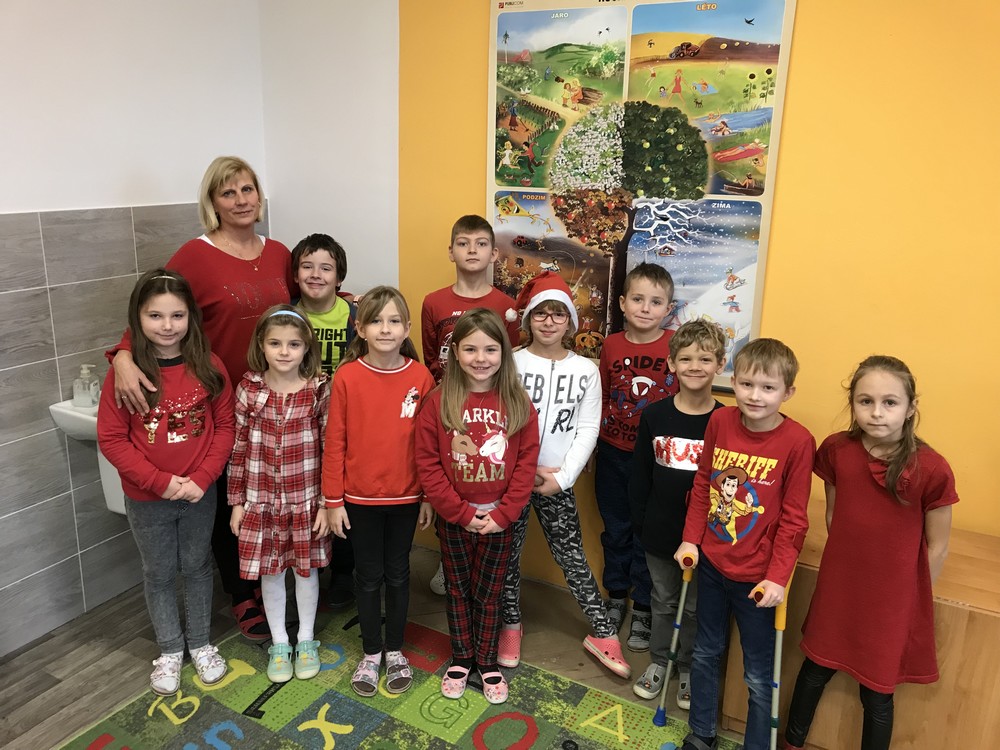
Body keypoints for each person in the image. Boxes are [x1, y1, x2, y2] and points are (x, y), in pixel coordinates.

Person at [108, 156, 297, 641]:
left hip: (274, 401)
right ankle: (240, 593)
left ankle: (270, 580)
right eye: (228, 192)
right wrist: (123, 354)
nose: (241, 200)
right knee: (229, 498)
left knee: (266, 494)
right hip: (219, 401)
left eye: (247, 189)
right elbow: (156, 306)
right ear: (212, 202)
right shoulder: (195, 255)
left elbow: (300, 310)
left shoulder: (278, 252)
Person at [784, 356, 958, 750]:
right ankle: (790, 744)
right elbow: (835, 515)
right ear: (853, 404)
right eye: (866, 401)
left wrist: (909, 599)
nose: (877, 412)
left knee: (877, 693)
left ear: (911, 407)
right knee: (815, 669)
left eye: (890, 402)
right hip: (840, 586)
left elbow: (938, 546)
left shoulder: (932, 468)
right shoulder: (836, 450)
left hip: (892, 601)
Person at [97, 269, 234, 696]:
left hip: (199, 493)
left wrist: (202, 478)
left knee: (197, 567)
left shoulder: (209, 366)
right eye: (155, 315)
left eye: (177, 315)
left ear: (191, 317)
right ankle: (171, 650)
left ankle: (201, 643)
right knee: (158, 573)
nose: (168, 325)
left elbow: (225, 427)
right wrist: (159, 482)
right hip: (147, 498)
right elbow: (111, 438)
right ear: (137, 318)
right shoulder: (125, 374)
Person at [674, 338, 815, 750]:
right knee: (705, 652)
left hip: (758, 579)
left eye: (768, 388)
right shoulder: (720, 422)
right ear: (733, 382)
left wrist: (778, 577)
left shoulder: (798, 441)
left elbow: (794, 518)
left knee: (757, 673)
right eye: (748, 384)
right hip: (711, 565)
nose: (756, 396)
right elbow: (704, 483)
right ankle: (701, 733)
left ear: (788, 392)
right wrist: (690, 539)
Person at [499, 273, 631, 679]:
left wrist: (564, 477)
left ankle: (603, 632)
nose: (549, 321)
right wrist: (521, 469)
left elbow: (589, 427)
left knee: (572, 556)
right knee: (507, 555)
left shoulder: (586, 371)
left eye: (558, 314)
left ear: (570, 322)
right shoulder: (511, 363)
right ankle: (510, 624)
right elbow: (497, 419)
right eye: (541, 313)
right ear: (528, 319)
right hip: (511, 479)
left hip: (556, 481)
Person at [415, 308, 540, 705]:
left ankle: (486, 661)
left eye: (490, 349)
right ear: (455, 352)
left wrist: (503, 515)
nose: (480, 358)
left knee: (489, 593)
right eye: (470, 349)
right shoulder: (438, 402)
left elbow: (526, 464)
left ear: (504, 353)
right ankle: (461, 658)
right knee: (457, 590)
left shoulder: (518, 402)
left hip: (500, 520)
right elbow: (428, 465)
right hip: (455, 518)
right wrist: (462, 513)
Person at [322, 286, 436, 697]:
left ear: (406, 328)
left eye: (393, 321)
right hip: (359, 500)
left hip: (406, 498)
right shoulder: (347, 376)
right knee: (367, 576)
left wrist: (427, 496)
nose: (385, 329)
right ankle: (372, 652)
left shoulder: (420, 377)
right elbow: (335, 441)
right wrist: (333, 500)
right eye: (376, 321)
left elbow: (430, 444)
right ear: (360, 328)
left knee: (399, 573)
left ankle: (395, 649)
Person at [228, 306, 331, 683]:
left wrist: (327, 503)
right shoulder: (249, 389)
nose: (284, 352)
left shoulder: (318, 389)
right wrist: (237, 502)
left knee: (306, 571)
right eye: (275, 343)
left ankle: (305, 640)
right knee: (270, 573)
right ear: (261, 344)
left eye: (293, 344)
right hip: (261, 501)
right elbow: (238, 447)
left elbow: (330, 448)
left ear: (307, 348)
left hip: (307, 500)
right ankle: (280, 643)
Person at [420, 215, 520, 594]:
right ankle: (449, 562)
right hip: (447, 410)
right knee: (450, 480)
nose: (472, 250)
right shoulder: (434, 302)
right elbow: (431, 358)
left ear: (494, 253)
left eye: (481, 244)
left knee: (483, 476)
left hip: (490, 412)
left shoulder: (506, 306)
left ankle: (484, 573)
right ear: (451, 251)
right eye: (463, 243)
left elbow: (510, 360)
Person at [629, 320, 726, 708]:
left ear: (720, 364)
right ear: (671, 364)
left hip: (707, 538)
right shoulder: (655, 416)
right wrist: (642, 524)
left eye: (705, 359)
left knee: (696, 607)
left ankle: (688, 667)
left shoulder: (726, 422)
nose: (695, 367)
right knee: (663, 600)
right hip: (659, 531)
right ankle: (659, 661)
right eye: (685, 359)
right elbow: (640, 476)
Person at [595, 262, 679, 652]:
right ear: (623, 303)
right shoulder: (611, 345)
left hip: (658, 463)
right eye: (638, 299)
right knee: (616, 530)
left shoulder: (676, 345)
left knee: (648, 536)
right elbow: (602, 396)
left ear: (668, 309)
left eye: (656, 302)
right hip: (613, 454)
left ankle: (643, 607)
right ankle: (616, 597)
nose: (646, 308)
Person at [291, 233, 358, 610]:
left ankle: (344, 574)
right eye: (307, 266)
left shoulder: (354, 316)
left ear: (339, 277)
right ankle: (307, 570)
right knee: (308, 499)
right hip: (300, 424)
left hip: (345, 423)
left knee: (341, 496)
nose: (316, 274)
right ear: (295, 274)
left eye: (326, 268)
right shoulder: (287, 316)